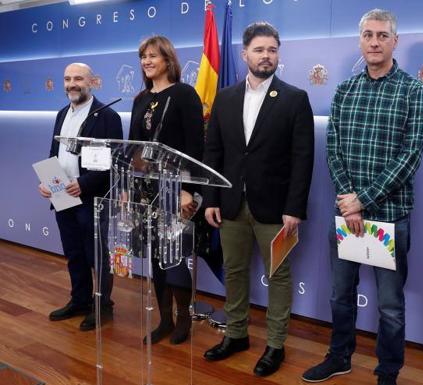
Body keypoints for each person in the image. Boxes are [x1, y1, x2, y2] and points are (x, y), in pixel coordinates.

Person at [302, 9, 423, 385]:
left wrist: (363, 200)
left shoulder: (413, 91)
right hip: (346, 214)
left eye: (382, 35)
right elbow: (333, 150)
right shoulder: (344, 90)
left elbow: (411, 155)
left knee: (390, 306)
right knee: (341, 295)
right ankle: (339, 357)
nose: (375, 42)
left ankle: (387, 372)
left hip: (389, 216)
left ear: (395, 41)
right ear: (360, 40)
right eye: (368, 35)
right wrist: (348, 200)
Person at [202, 22, 314, 377]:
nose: (266, 56)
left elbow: (303, 159)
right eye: (259, 50)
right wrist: (211, 198)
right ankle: (236, 335)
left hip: (278, 212)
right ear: (244, 54)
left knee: (278, 275)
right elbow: (213, 152)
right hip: (231, 205)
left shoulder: (295, 99)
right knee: (234, 271)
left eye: (272, 50)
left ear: (278, 54)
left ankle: (275, 344)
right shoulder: (225, 97)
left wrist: (295, 208)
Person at [128, 35, 204, 345]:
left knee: (174, 257)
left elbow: (196, 149)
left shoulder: (185, 94)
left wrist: (187, 191)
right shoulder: (139, 99)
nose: (147, 61)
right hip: (146, 192)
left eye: (153, 56)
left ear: (168, 60)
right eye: (143, 56)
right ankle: (165, 320)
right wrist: (128, 188)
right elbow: (132, 148)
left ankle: (184, 319)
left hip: (176, 190)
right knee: (156, 257)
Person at [40, 63, 123, 331]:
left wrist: (83, 184)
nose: (71, 84)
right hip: (62, 194)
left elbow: (113, 161)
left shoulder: (107, 116)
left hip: (91, 196)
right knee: (74, 252)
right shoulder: (62, 113)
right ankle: (80, 301)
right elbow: (55, 153)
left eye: (78, 78)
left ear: (93, 82)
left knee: (96, 255)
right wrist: (48, 184)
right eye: (67, 79)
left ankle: (103, 306)